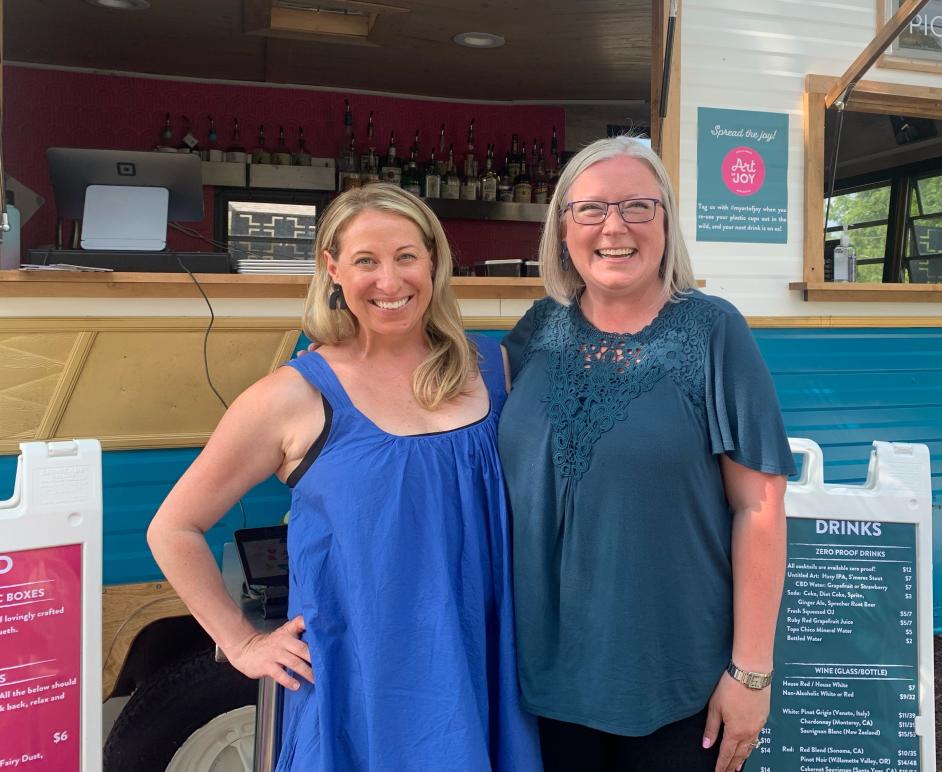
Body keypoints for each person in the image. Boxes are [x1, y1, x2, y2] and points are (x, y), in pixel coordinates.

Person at [148, 183, 540, 771]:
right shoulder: (292, 397)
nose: (390, 280)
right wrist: (242, 643)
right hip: (361, 693)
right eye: (366, 261)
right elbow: (174, 528)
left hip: (485, 670)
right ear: (332, 269)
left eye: (407, 256)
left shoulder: (493, 367)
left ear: (434, 260)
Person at [498, 137, 796, 772]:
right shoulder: (537, 330)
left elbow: (760, 508)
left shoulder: (714, 332)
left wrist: (752, 672)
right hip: (540, 680)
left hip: (672, 685)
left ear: (666, 222)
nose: (614, 227)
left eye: (638, 206)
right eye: (591, 209)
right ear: (561, 228)